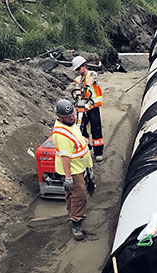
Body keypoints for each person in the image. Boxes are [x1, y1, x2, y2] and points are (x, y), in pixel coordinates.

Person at [52, 99, 93, 241]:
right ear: (60, 117)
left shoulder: (70, 124)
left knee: (72, 193)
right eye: (68, 117)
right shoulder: (61, 134)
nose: (72, 118)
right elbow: (65, 157)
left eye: (72, 115)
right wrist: (68, 177)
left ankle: (72, 213)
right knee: (79, 194)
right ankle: (76, 221)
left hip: (78, 165)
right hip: (72, 169)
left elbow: (75, 137)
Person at [72, 55, 104, 162]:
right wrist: (77, 97)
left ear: (84, 66)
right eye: (76, 69)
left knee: (96, 129)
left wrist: (87, 86)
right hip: (82, 108)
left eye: (78, 68)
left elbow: (91, 80)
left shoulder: (92, 74)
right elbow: (77, 90)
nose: (77, 71)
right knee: (80, 128)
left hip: (93, 107)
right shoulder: (77, 79)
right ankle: (84, 148)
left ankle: (98, 152)